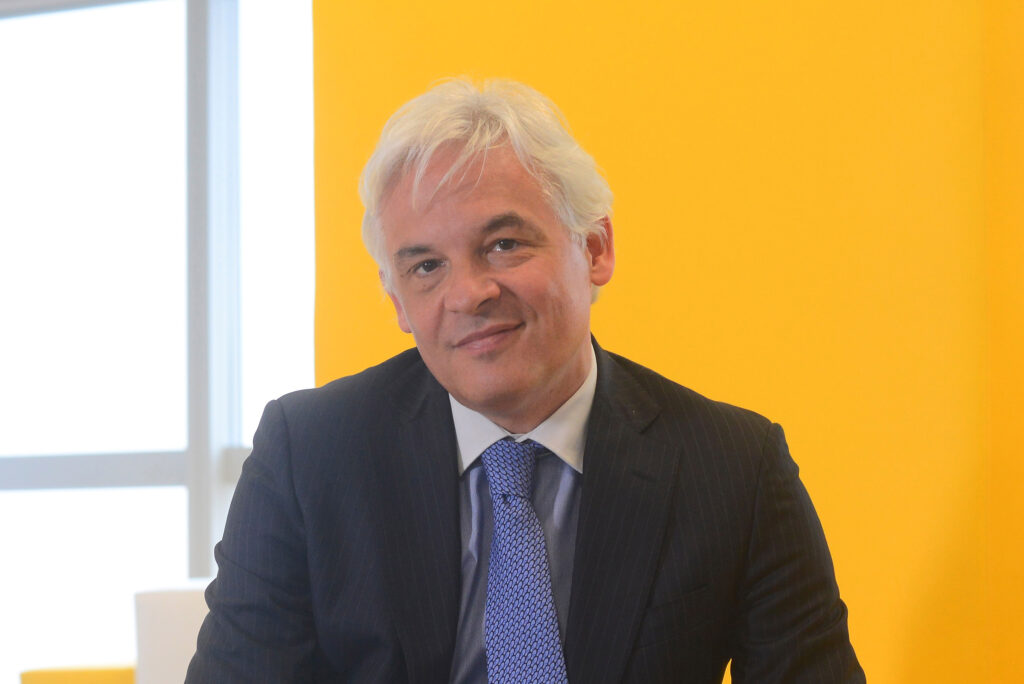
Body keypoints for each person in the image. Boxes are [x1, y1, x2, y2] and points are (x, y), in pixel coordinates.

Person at [186, 78, 864, 683]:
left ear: (595, 248)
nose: (468, 294)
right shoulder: (308, 454)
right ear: (398, 303)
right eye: (426, 267)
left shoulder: (734, 468)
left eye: (504, 245)